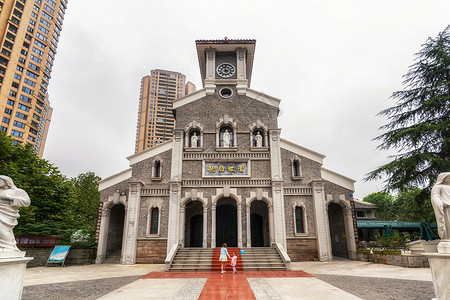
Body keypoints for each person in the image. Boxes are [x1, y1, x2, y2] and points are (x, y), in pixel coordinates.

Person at [0, 175, 31, 252]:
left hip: (8, 212)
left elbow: (26, 202)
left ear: (7, 182)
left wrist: (10, 198)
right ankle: (5, 246)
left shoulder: (17, 191)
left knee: (2, 229)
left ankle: (9, 247)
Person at [431, 172, 450, 240]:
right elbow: (435, 196)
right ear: (443, 178)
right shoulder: (438, 187)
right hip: (446, 208)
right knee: (448, 224)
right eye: (448, 177)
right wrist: (440, 203)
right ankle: (447, 238)